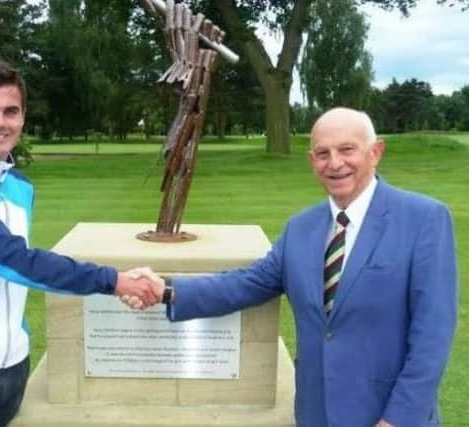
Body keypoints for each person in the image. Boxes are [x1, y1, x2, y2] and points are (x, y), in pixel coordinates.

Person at [127, 107, 458, 427]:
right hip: (315, 413)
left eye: (347, 150)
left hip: (385, 413)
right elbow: (246, 283)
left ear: (376, 152)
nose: (335, 163)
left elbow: (433, 333)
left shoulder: (424, 219)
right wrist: (166, 290)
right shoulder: (301, 228)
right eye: (323, 153)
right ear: (312, 161)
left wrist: (399, 418)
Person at [0, 58, 157, 427]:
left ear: (23, 117)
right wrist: (117, 281)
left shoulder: (19, 185)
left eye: (11, 111)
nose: (0, 122)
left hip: (12, 363)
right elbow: (16, 262)